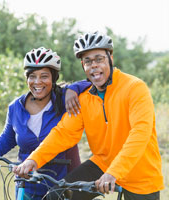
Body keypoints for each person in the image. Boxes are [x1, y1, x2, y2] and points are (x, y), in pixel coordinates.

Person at [13, 32, 164, 200]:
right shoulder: (84, 98)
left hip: (140, 172)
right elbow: (63, 133)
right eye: (88, 61)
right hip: (102, 163)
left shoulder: (135, 88)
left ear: (110, 58)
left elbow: (140, 134)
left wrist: (114, 172)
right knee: (57, 195)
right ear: (83, 65)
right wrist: (33, 160)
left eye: (99, 59)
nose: (94, 66)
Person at [0, 47, 91, 199]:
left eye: (44, 76)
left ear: (54, 78)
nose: (37, 82)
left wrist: (73, 89)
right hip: (26, 182)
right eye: (32, 76)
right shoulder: (16, 107)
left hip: (61, 183)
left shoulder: (65, 100)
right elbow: (7, 138)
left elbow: (94, 82)